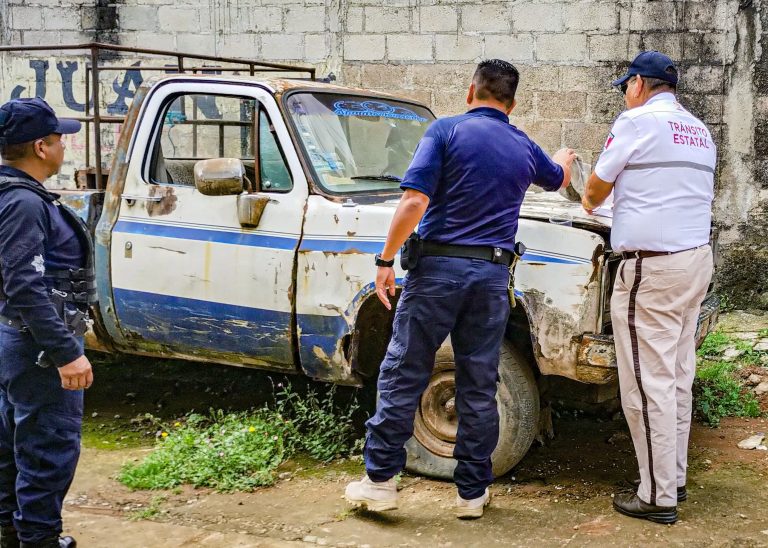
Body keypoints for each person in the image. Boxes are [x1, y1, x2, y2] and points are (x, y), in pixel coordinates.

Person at [344, 59, 577, 519]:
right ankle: (472, 493)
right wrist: (565, 162)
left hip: (437, 274)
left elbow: (414, 200)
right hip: (491, 279)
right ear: (512, 102)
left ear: (472, 91)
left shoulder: (446, 131)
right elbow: (558, 179)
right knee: (478, 382)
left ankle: (380, 482)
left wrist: (385, 260)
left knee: (405, 370)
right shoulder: (524, 145)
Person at [581, 51, 716, 524]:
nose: (624, 94)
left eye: (625, 86)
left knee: (645, 384)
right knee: (677, 376)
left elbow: (594, 194)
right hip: (695, 260)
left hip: (651, 271)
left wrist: (586, 186)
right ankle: (671, 477)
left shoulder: (635, 123)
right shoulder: (699, 130)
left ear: (638, 84)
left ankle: (657, 496)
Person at [0, 97, 96, 548]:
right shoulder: (22, 203)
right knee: (48, 446)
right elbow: (24, 285)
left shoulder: (9, 193)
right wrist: (65, 352)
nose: (64, 147)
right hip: (34, 345)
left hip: (14, 337)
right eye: (59, 140)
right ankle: (38, 539)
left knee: (12, 440)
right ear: (41, 147)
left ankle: (11, 529)